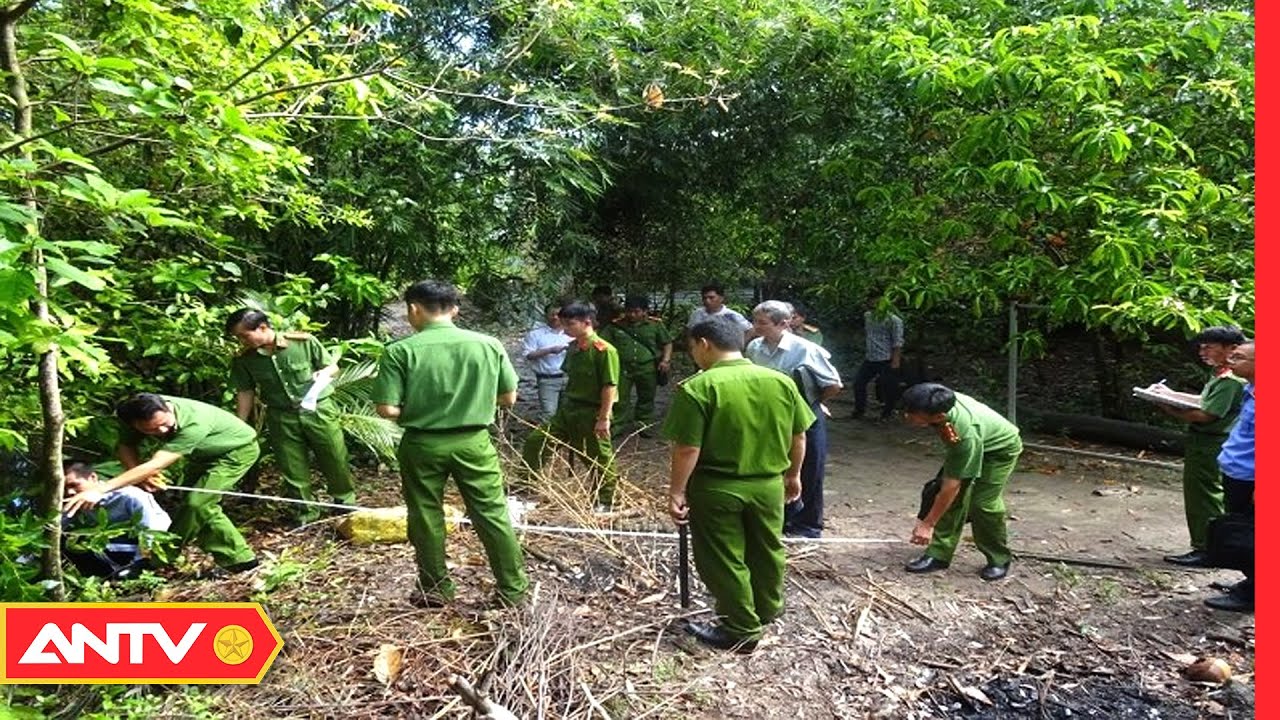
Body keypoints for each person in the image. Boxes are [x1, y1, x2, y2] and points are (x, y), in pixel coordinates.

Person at [372, 280, 529, 608]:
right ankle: (512, 591)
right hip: (473, 442)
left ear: (413, 308)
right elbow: (509, 398)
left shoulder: (400, 351)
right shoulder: (488, 344)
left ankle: (435, 589)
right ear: (455, 309)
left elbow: (387, 409)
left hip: (422, 444)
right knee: (492, 513)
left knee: (425, 515)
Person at [665, 317, 814, 652]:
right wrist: (793, 475)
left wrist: (676, 491)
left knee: (722, 556)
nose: (694, 356)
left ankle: (742, 628)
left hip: (718, 487)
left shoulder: (699, 387)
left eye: (692, 348)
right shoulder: (779, 382)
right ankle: (765, 608)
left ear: (705, 344)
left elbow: (688, 447)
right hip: (768, 485)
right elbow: (799, 434)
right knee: (767, 548)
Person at [64, 393, 260, 573]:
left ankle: (159, 558)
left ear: (167, 408)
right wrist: (141, 476)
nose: (164, 430)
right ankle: (240, 560)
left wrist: (101, 488)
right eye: (153, 430)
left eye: (165, 423)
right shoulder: (133, 413)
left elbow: (156, 464)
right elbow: (125, 446)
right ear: (135, 425)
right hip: (202, 456)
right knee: (199, 505)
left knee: (196, 504)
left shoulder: (194, 422)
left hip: (236, 451)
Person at [225, 309, 356, 525]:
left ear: (263, 328)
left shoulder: (303, 342)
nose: (241, 341)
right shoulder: (245, 360)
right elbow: (245, 391)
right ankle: (305, 512)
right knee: (291, 466)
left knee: (334, 455)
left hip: (319, 410)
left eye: (244, 335)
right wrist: (241, 424)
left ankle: (344, 502)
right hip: (280, 415)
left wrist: (324, 373)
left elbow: (332, 367)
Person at [1144, 326, 1247, 567]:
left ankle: (1206, 548)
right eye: (1201, 346)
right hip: (1209, 443)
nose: (1202, 351)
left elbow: (1206, 414)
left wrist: (1168, 408)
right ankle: (1212, 546)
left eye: (1209, 346)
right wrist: (1171, 394)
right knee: (1206, 493)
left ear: (1231, 349)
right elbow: (1205, 400)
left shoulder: (1230, 380)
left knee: (1204, 496)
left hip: (1211, 443)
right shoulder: (1220, 373)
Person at [900, 383, 1022, 581]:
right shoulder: (939, 400)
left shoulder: (963, 433)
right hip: (973, 442)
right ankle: (939, 555)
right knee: (948, 499)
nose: (907, 416)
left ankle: (999, 559)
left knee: (983, 505)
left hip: (999, 451)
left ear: (939, 417)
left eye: (913, 413)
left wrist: (927, 524)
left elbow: (951, 487)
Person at [745, 300, 843, 538]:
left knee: (810, 466)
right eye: (755, 321)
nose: (756, 326)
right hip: (770, 416)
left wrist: (816, 403)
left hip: (805, 413)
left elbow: (833, 384)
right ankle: (782, 519)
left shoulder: (805, 349)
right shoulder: (755, 347)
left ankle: (809, 525)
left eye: (763, 323)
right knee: (776, 467)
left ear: (784, 324)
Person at [521, 303, 621, 510]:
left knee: (598, 457)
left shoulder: (604, 350)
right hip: (568, 410)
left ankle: (606, 500)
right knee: (536, 441)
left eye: (570, 324)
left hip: (591, 411)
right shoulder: (574, 348)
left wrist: (603, 418)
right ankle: (524, 487)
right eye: (564, 323)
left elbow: (609, 386)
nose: (565, 328)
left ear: (587, 323)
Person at [1204, 341, 1254, 613]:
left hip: (1251, 478)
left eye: (1239, 357)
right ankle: (1249, 582)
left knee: (1252, 534)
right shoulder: (1251, 391)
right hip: (1237, 472)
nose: (1231, 361)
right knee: (1241, 531)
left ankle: (1253, 594)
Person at [61, 462, 172, 579]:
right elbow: (55, 527)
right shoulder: (75, 500)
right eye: (65, 488)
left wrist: (139, 565)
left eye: (74, 485)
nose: (70, 492)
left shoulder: (129, 495)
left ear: (93, 478)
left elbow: (153, 529)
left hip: (149, 548)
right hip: (111, 551)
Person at [599, 295, 673, 435]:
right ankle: (617, 426)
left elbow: (667, 343)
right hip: (622, 368)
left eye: (636, 311)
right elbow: (601, 342)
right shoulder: (616, 325)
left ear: (645, 311)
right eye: (629, 311)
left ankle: (643, 425)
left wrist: (666, 360)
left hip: (647, 367)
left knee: (646, 397)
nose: (632, 315)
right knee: (619, 398)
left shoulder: (654, 325)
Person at [852, 293, 905, 420]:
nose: (872, 303)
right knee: (858, 383)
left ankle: (887, 413)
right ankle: (859, 410)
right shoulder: (868, 316)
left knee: (888, 387)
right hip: (870, 358)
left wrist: (895, 361)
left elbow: (897, 342)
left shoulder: (894, 320)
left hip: (886, 358)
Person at [520, 302, 573, 421]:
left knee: (568, 412)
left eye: (558, 314)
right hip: (547, 379)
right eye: (552, 314)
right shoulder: (535, 334)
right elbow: (528, 355)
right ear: (545, 316)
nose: (555, 317)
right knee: (549, 414)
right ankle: (547, 438)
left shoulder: (572, 334)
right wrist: (550, 350)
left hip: (569, 379)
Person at [686, 283, 752, 336]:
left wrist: (739, 347)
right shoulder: (697, 314)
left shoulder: (731, 315)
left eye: (711, 298)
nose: (707, 301)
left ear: (721, 298)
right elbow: (689, 331)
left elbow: (750, 330)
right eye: (704, 298)